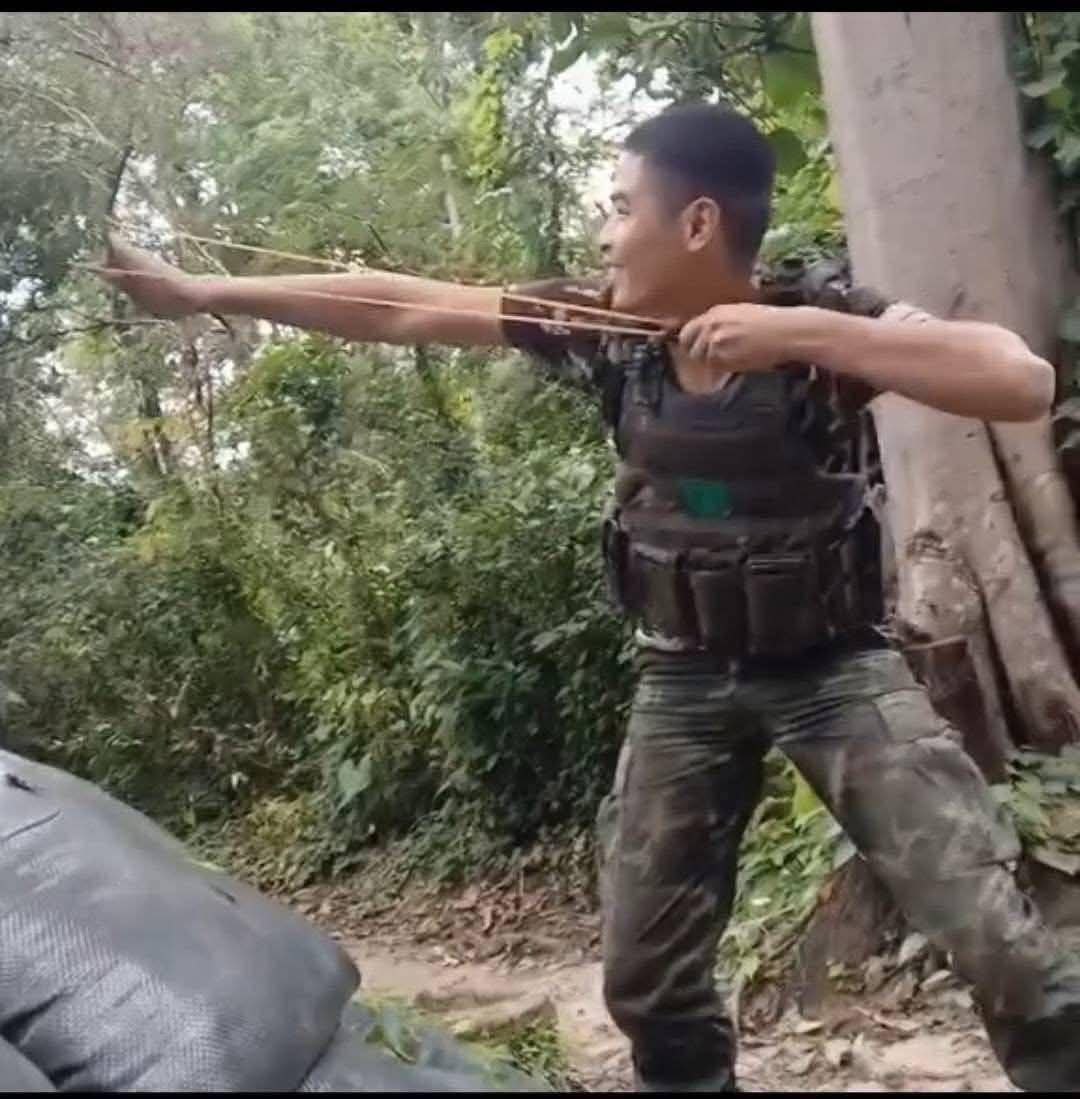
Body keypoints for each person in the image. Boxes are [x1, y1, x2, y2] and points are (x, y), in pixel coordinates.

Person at [98, 103, 1075, 1094]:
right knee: (646, 982)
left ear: (697, 222)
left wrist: (798, 331)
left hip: (833, 670)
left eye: (619, 207)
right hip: (683, 676)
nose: (604, 234)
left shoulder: (823, 323)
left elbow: (1019, 379)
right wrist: (206, 291)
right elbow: (404, 306)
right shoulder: (605, 328)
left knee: (998, 940)